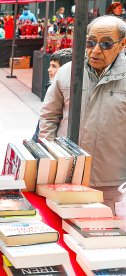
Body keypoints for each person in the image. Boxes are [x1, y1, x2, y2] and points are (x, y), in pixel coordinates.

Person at [39, 16, 126, 212]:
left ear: (122, 44)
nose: (95, 50)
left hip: (111, 183)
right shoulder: (68, 72)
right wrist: (50, 159)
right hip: (66, 176)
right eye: (90, 42)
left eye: (105, 44)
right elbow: (49, 116)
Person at [32, 48, 72, 142]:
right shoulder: (52, 88)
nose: (49, 69)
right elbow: (46, 119)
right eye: (50, 65)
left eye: (54, 66)